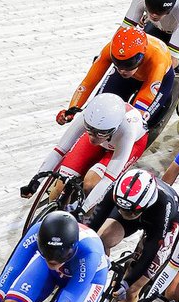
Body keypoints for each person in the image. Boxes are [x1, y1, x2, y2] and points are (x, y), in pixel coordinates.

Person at [83, 167, 179, 302]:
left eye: (130, 212)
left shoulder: (162, 205)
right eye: (122, 209)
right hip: (135, 205)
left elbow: (152, 248)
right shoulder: (119, 191)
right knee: (99, 239)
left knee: (130, 291)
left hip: (161, 226)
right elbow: (95, 222)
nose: (125, 214)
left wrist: (129, 281)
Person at [32, 84, 154, 212]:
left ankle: (86, 223)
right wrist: (35, 183)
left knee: (91, 185)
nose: (93, 138)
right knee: (61, 185)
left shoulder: (127, 130)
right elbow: (59, 151)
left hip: (130, 143)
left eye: (99, 133)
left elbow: (108, 179)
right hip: (107, 138)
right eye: (89, 130)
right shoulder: (88, 117)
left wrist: (83, 210)